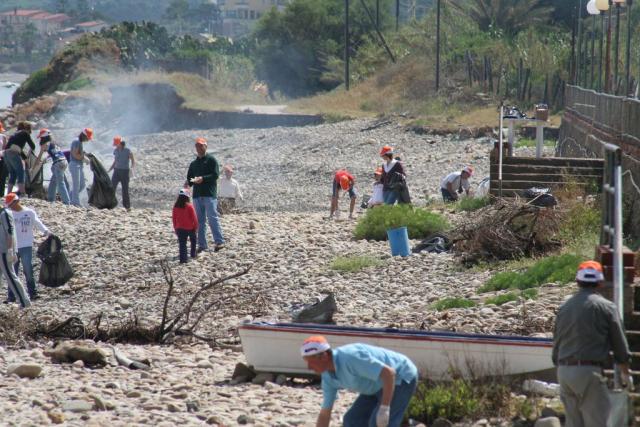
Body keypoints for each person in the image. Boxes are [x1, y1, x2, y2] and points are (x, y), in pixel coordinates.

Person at [552, 260, 632, 427]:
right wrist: (625, 372)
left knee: (573, 423)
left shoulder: (564, 307)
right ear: (601, 282)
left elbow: (557, 343)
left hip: (564, 371)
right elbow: (619, 344)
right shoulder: (607, 307)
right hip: (589, 372)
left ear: (577, 281)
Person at [301, 336, 418, 427]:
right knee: (352, 421)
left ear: (324, 356)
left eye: (311, 362)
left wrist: (384, 408)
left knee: (379, 424)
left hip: (400, 377)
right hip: (375, 386)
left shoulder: (350, 357)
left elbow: (389, 373)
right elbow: (325, 413)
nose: (309, 367)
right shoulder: (328, 376)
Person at [5, 193, 50, 301]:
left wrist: (46, 232)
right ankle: (11, 296)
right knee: (13, 272)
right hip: (13, 247)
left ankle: (33, 293)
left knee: (28, 270)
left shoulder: (29, 212)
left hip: (26, 245)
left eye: (11, 204)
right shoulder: (8, 214)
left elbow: (37, 223)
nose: (10, 207)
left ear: (16, 202)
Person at [186, 137, 225, 252]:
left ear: (206, 146)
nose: (199, 148)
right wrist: (190, 182)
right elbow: (189, 179)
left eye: (201, 145)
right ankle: (202, 245)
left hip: (209, 194)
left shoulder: (211, 160)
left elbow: (215, 175)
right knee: (199, 221)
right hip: (197, 195)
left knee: (213, 218)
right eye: (197, 146)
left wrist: (203, 179)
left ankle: (219, 241)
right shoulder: (193, 164)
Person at [0, 195, 30, 308]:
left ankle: (24, 302)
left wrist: (10, 250)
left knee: (11, 276)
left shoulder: (4, 213)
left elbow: (10, 232)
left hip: (4, 250)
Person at [35, 129, 70, 205]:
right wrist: (45, 160)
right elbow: (54, 153)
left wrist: (34, 166)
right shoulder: (53, 143)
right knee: (53, 182)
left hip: (58, 163)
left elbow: (39, 157)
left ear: (43, 137)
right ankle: (51, 199)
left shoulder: (45, 144)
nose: (40, 139)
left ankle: (67, 202)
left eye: (41, 137)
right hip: (64, 161)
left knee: (60, 183)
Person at [5, 121, 35, 196]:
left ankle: (9, 194)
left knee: (13, 173)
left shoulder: (16, 134)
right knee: (21, 172)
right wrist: (30, 154)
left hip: (6, 154)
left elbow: (18, 148)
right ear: (27, 129)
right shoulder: (25, 133)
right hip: (13, 153)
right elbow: (33, 146)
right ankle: (22, 193)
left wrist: (25, 158)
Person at [108, 135, 135, 210]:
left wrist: (132, 168)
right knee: (112, 188)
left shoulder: (128, 151)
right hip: (116, 171)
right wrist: (110, 169)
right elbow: (115, 161)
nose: (116, 146)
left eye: (117, 144)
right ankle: (110, 205)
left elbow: (133, 160)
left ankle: (127, 206)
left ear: (120, 143)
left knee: (125, 190)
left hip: (125, 172)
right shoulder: (115, 151)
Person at [172, 188, 198, 264]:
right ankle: (193, 254)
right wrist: (196, 227)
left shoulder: (175, 206)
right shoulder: (189, 206)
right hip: (190, 228)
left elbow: (174, 218)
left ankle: (183, 260)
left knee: (182, 244)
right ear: (187, 197)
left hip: (179, 228)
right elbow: (194, 218)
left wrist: (175, 228)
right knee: (193, 240)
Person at [69, 128, 93, 206]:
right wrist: (83, 158)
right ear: (84, 136)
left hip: (79, 165)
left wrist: (84, 156)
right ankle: (75, 203)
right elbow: (74, 154)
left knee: (82, 185)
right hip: (75, 165)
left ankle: (69, 197)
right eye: (88, 138)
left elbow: (78, 153)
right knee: (76, 185)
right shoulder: (76, 141)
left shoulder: (79, 142)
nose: (88, 140)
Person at [0, 122, 8, 196]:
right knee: (2, 177)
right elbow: (5, 149)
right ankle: (1, 193)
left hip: (1, 158)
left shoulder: (3, 137)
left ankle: (1, 193)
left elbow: (5, 149)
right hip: (2, 158)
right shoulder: (3, 137)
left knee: (2, 177)